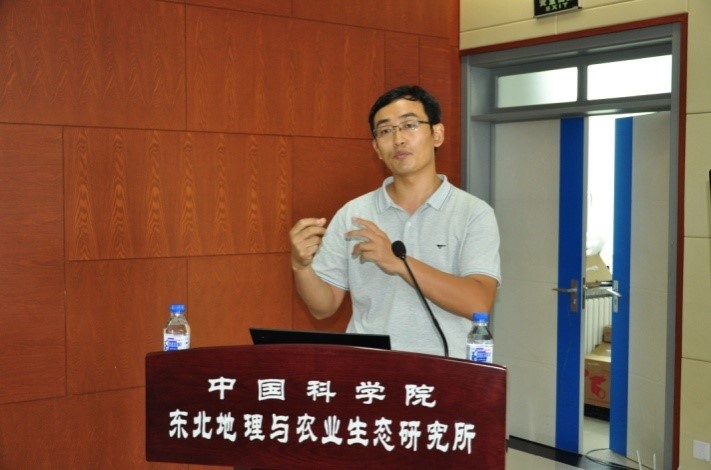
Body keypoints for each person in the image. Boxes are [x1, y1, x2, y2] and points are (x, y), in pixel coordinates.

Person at [289, 85, 501, 358]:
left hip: (448, 370)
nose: (398, 139)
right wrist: (301, 267)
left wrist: (398, 262)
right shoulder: (354, 213)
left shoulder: (473, 212)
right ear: (377, 148)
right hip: (371, 369)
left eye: (409, 125)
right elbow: (323, 307)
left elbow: (478, 302)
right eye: (386, 131)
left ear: (437, 134)